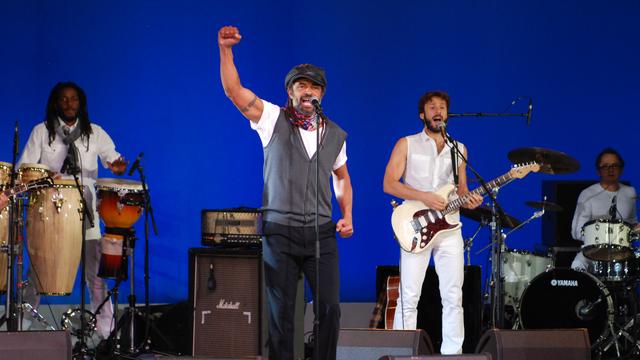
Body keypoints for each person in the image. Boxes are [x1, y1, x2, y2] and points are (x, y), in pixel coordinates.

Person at [218, 25, 354, 360]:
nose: (309, 90)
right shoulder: (271, 118)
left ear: (322, 94)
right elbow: (235, 91)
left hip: (321, 233)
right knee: (282, 317)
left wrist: (347, 214)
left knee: (330, 309)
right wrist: (225, 50)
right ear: (290, 91)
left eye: (315, 86)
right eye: (301, 84)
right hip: (279, 232)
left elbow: (342, 177)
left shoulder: (335, 133)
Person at [19, 81, 127, 339]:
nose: (69, 104)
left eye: (74, 99)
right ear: (56, 103)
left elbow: (113, 157)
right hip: (50, 214)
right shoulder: (41, 132)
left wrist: (116, 165)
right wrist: (44, 176)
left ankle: (106, 334)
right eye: (64, 99)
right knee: (37, 271)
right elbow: (24, 169)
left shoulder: (95, 133)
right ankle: (21, 328)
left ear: (81, 103)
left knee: (96, 275)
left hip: (87, 212)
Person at [383, 91, 482, 355]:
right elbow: (389, 184)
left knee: (453, 295)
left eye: (442, 107)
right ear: (422, 114)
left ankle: (453, 353)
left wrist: (469, 200)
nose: (438, 111)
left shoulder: (458, 149)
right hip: (416, 224)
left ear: (447, 114)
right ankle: (402, 352)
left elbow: (462, 190)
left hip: (450, 228)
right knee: (410, 296)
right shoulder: (407, 143)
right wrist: (423, 196)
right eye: (432, 107)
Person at [571, 148, 640, 270]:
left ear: (621, 169)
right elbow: (576, 232)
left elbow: (632, 222)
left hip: (622, 252)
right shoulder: (587, 194)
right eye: (605, 166)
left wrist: (636, 229)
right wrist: (601, 237)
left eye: (615, 165)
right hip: (593, 252)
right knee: (577, 265)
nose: (610, 169)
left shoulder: (630, 192)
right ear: (598, 171)